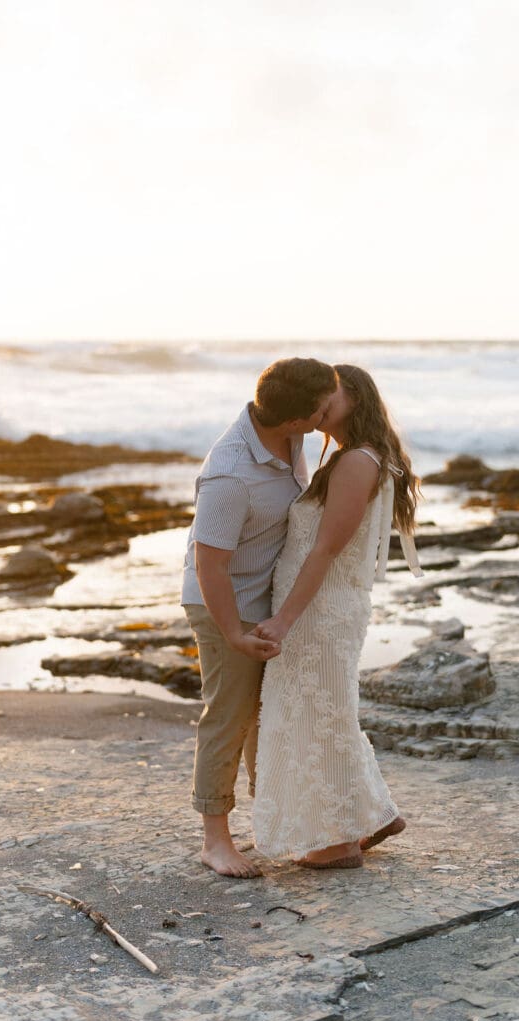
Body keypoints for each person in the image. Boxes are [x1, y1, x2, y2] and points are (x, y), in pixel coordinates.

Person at [252, 364, 424, 869]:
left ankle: (338, 840)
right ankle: (372, 815)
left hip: (319, 611)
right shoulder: (355, 457)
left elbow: (325, 550)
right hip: (322, 605)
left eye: (334, 393)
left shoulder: (357, 462)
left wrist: (283, 619)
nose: (324, 402)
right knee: (323, 712)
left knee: (315, 716)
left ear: (357, 396)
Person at [182, 357, 338, 878]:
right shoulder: (231, 473)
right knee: (230, 716)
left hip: (263, 601)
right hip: (224, 602)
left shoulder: (288, 437)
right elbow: (209, 563)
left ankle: (277, 821)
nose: (327, 415)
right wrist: (232, 632)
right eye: (321, 410)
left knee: (269, 716)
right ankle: (215, 841)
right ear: (295, 419)